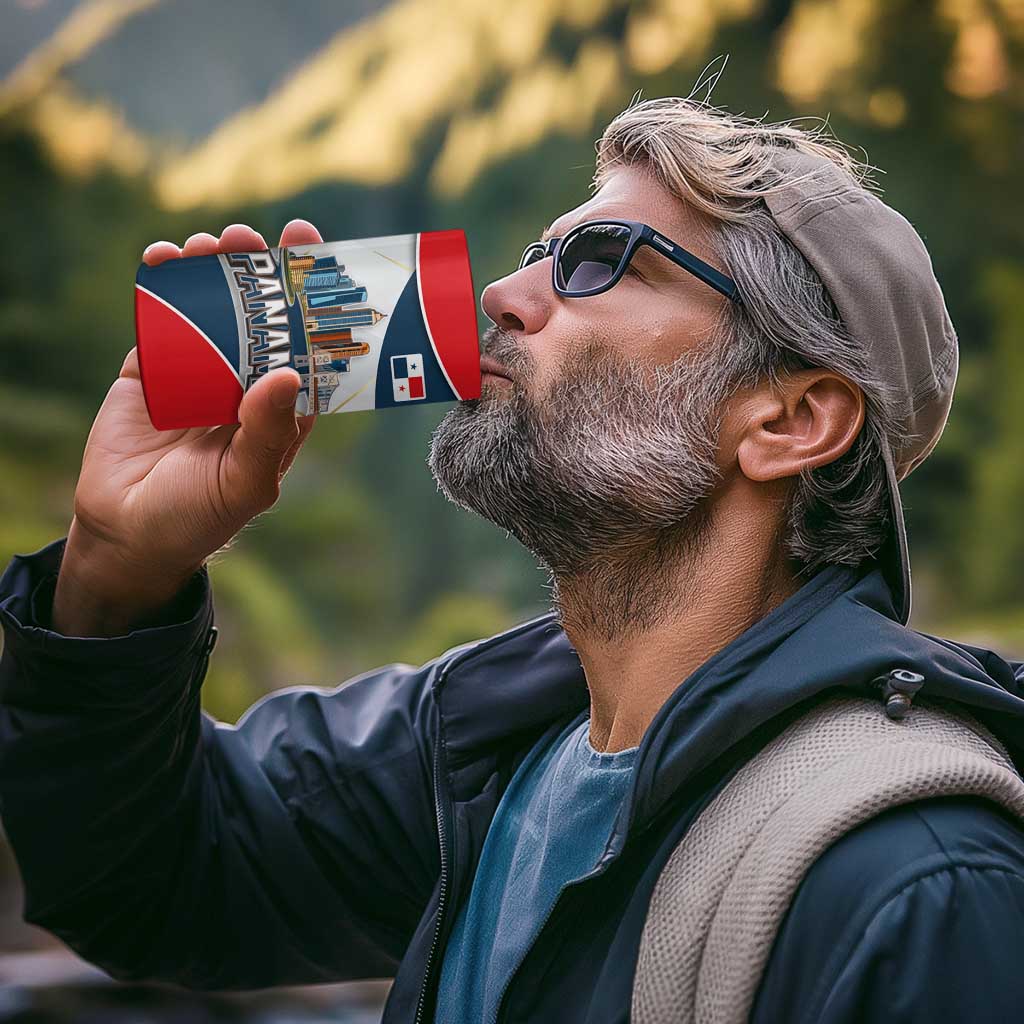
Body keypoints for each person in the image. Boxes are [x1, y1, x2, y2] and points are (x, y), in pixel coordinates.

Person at [2, 95, 1024, 1024]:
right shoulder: (479, 749)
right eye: (540, 252)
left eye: (599, 261)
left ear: (791, 419)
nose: (502, 292)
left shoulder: (918, 884)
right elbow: (149, 880)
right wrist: (115, 572)